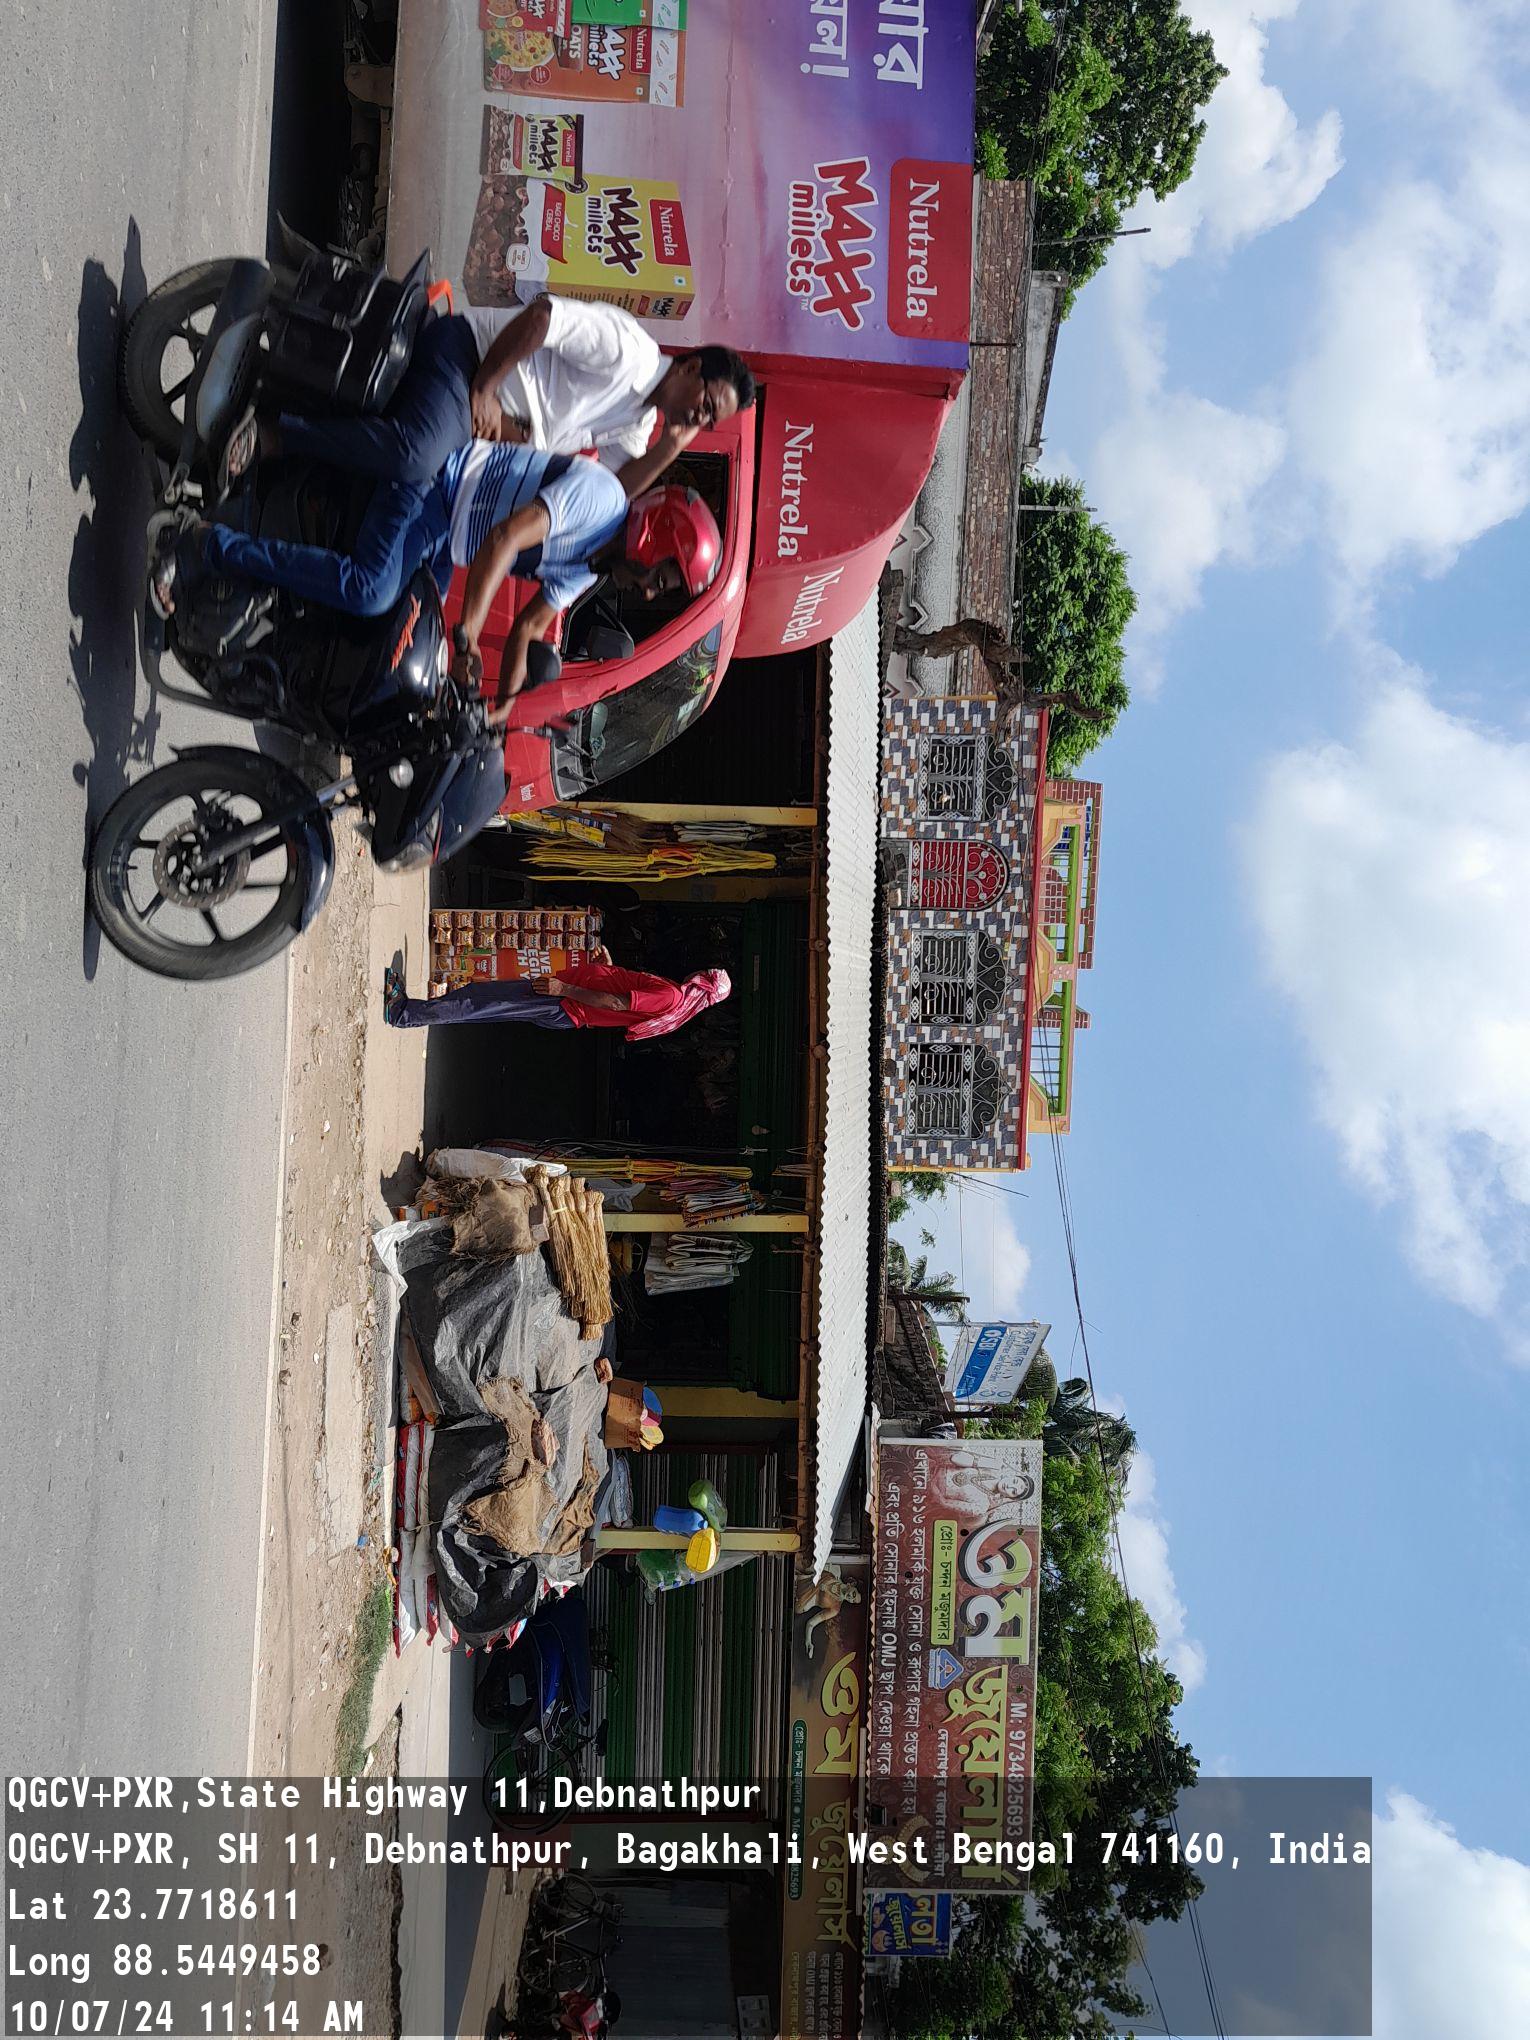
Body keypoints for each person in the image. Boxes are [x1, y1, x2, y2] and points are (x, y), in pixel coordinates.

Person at [152, 445, 722, 720]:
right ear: (653, 536)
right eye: (662, 576)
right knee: (370, 590)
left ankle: (250, 623)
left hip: (443, 541)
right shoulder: (599, 502)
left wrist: (501, 714)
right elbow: (504, 539)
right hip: (441, 487)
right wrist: (468, 633)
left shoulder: (590, 565)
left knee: (403, 648)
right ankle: (207, 543)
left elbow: (530, 629)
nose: (651, 592)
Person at [229, 294, 755, 501]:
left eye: (709, 421)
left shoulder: (639, 424)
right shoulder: (630, 353)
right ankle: (274, 437)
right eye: (708, 404)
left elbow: (612, 491)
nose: (700, 417)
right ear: (691, 367)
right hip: (467, 358)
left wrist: (668, 450)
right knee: (413, 457)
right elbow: (545, 316)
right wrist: (484, 387)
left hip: (484, 424)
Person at [383, 950, 732, 1042]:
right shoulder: (673, 996)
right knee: (483, 999)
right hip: (565, 1001)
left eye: (704, 974)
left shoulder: (671, 996)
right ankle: (408, 1010)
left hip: (563, 1002)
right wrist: (607, 970)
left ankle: (403, 1013)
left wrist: (565, 989)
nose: (696, 972)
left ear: (703, 983)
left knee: (482, 1002)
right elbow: (621, 997)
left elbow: (616, 1004)